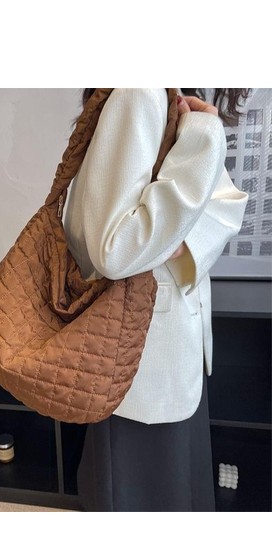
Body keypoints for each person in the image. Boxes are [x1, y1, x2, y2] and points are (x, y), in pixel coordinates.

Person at [63, 88, 249, 511]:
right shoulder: (140, 92)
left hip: (164, 345)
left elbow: (226, 205)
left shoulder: (162, 94)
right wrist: (205, 136)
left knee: (166, 490)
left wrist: (183, 239)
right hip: (141, 356)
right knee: (151, 494)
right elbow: (114, 248)